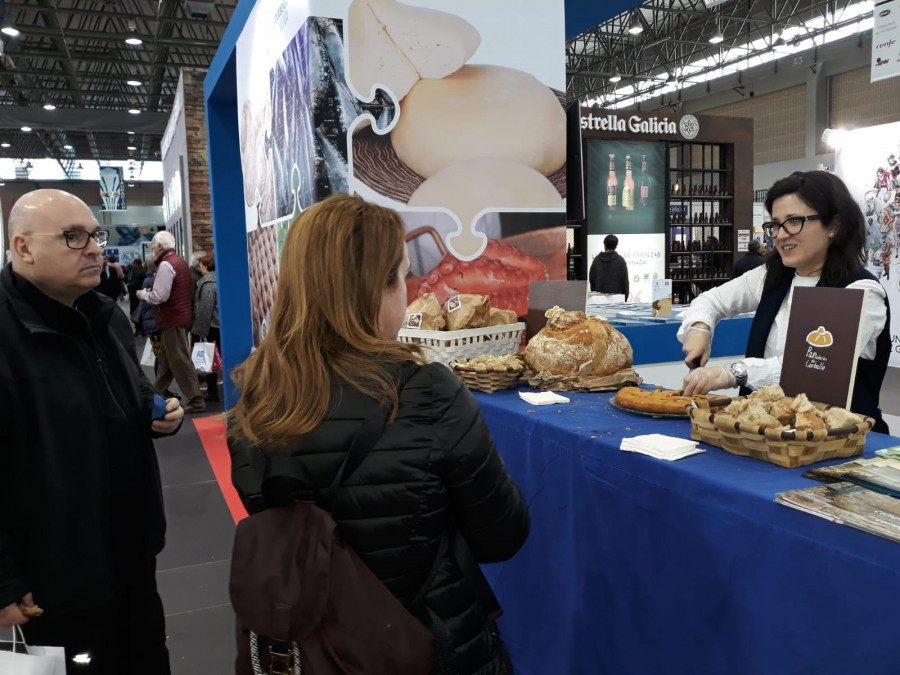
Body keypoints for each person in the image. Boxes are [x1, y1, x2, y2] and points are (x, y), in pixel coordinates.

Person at [227, 194, 530, 674]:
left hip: (313, 646)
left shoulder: (255, 396)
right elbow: (502, 536)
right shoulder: (428, 391)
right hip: (427, 642)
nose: (409, 292)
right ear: (378, 287)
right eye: (403, 276)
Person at [0, 189, 184, 673]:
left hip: (131, 549)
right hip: (54, 571)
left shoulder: (105, 316)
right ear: (23, 248)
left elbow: (133, 399)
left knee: (145, 657)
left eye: (95, 235)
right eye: (72, 236)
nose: (94, 248)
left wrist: (159, 415)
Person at [680, 171, 890, 432]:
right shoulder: (772, 276)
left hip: (839, 441)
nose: (780, 235)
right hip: (764, 433)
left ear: (833, 226)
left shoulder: (860, 291)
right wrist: (700, 328)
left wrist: (729, 374)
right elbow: (711, 300)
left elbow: (809, 366)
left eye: (794, 222)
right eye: (776, 225)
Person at [137, 231, 205, 412]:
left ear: (160, 246)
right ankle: (155, 393)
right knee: (166, 360)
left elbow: (160, 296)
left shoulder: (166, 265)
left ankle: (196, 399)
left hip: (171, 319)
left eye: (153, 244)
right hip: (177, 318)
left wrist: (143, 294)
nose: (152, 248)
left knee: (179, 360)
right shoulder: (178, 262)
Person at [192, 255, 220, 402]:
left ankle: (213, 392)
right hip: (222, 325)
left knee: (210, 361)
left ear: (206, 268)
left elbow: (205, 309)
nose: (200, 269)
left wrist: (200, 330)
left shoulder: (208, 283)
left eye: (201, 266)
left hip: (213, 327)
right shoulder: (221, 278)